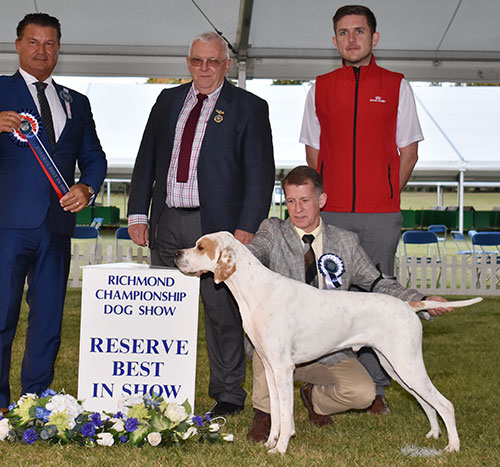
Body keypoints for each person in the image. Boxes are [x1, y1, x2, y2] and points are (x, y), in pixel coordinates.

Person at [245, 166, 451, 442]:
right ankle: (266, 414)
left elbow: (378, 283)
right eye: (290, 201)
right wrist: (221, 253)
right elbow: (250, 255)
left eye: (305, 200)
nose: (297, 209)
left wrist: (420, 301)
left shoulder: (345, 241)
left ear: (322, 200)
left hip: (327, 346)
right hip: (279, 344)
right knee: (266, 344)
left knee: (363, 393)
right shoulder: (272, 231)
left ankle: (314, 399)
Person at [127, 32, 275, 416]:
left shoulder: (250, 107)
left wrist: (245, 228)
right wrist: (138, 214)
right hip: (168, 221)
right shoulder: (166, 101)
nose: (204, 69)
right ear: (188, 61)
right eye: (197, 61)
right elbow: (146, 159)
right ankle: (157, 386)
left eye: (213, 62)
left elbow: (260, 174)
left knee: (222, 313)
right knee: (158, 308)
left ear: (227, 64)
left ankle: (228, 394)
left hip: (218, 229)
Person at [300, 5, 423, 413]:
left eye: (359, 31)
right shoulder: (319, 86)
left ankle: (376, 388)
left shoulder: (397, 85)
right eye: (343, 32)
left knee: (381, 298)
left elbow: (408, 151)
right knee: (330, 300)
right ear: (334, 40)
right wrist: (320, 205)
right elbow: (312, 152)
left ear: (374, 38)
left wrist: (386, 191)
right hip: (331, 214)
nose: (351, 39)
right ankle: (333, 375)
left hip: (379, 213)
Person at [0, 13, 107, 414]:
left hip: (58, 227)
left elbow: (94, 157)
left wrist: (87, 186)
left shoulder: (76, 102)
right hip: (8, 226)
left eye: (49, 43)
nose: (41, 50)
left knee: (47, 319)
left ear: (59, 48)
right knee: (1, 316)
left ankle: (36, 401)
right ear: (17, 45)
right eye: (33, 42)